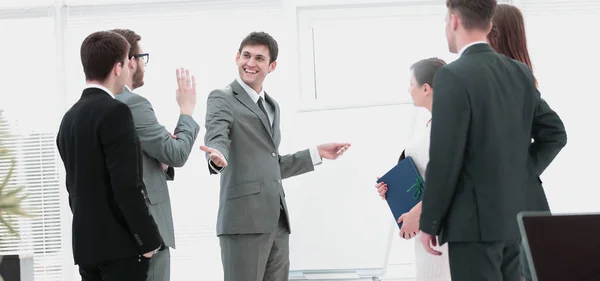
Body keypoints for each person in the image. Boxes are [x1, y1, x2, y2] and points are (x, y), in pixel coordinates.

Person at [417, 0, 567, 280]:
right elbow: (553, 133)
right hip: (514, 222)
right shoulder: (520, 72)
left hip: (472, 227)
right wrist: (518, 176)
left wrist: (429, 223)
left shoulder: (452, 75)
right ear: (488, 24)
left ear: (454, 21)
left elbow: (445, 158)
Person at [201, 31, 351, 281]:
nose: (250, 63)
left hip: (277, 221)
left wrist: (317, 153)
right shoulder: (222, 98)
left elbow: (271, 163)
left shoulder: (272, 106)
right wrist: (216, 155)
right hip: (243, 222)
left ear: (272, 66)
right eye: (246, 55)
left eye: (259, 58)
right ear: (237, 57)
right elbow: (217, 133)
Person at [56, 30, 162, 281]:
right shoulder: (116, 112)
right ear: (117, 67)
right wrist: (148, 241)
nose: (129, 69)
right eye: (127, 63)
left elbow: (74, 189)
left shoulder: (69, 118)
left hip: (86, 248)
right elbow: (127, 186)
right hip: (121, 249)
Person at [112, 28, 200, 281]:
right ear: (130, 61)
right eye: (142, 57)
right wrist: (186, 110)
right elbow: (177, 153)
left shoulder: (103, 105)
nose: (144, 65)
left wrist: (157, 162)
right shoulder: (133, 104)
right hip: (147, 234)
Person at [487, 5, 557, 280]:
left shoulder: (517, 82)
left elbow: (554, 133)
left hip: (518, 205)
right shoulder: (512, 79)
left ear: (494, 34)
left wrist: (523, 171)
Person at [375, 58, 451, 281]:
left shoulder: (447, 126)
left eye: (411, 84)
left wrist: (417, 213)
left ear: (426, 88)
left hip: (438, 225)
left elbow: (449, 178)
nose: (409, 90)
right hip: (426, 223)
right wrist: (393, 186)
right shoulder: (432, 123)